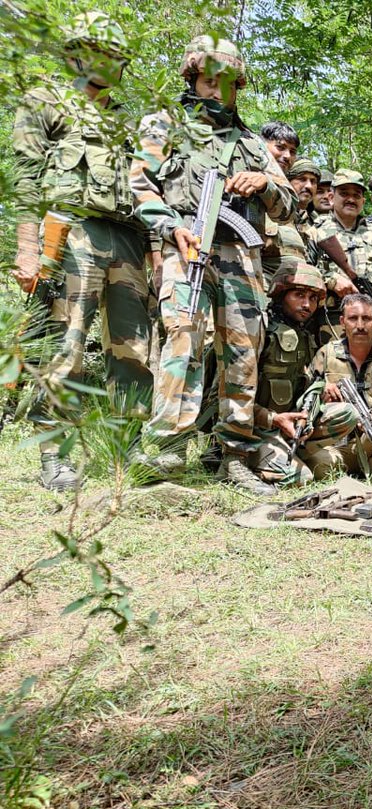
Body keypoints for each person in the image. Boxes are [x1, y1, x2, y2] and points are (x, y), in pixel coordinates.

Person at [131, 35, 297, 495]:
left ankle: (236, 454)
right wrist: (169, 226)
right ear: (193, 79)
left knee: (243, 352)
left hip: (241, 258)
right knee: (183, 339)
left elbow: (288, 207)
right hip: (185, 249)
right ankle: (166, 449)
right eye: (207, 82)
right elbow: (139, 187)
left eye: (225, 85)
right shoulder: (163, 127)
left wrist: (264, 182)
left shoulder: (252, 143)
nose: (215, 92)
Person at [11, 11, 152, 491]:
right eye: (99, 52)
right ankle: (57, 455)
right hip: (70, 235)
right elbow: (24, 181)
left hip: (128, 240)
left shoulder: (126, 123)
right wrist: (28, 249)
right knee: (66, 348)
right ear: (75, 53)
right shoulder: (45, 102)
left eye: (116, 55)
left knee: (134, 351)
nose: (108, 62)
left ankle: (126, 450)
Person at [247, 263, 355, 486]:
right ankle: (243, 459)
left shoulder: (302, 335)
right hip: (253, 429)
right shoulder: (258, 329)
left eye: (313, 298)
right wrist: (273, 419)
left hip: (288, 424)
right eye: (299, 295)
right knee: (300, 478)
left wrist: (312, 400)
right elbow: (226, 399)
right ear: (280, 294)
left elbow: (303, 382)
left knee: (347, 413)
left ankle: (291, 452)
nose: (307, 304)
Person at [305, 294, 372, 481]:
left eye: (366, 318)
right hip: (340, 446)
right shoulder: (326, 354)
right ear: (342, 322)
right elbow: (304, 399)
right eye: (353, 318)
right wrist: (322, 391)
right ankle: (360, 471)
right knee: (318, 466)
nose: (360, 326)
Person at [313, 168, 372, 336]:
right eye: (344, 193)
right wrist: (331, 279)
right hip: (330, 327)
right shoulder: (315, 232)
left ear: (363, 201)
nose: (351, 199)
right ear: (331, 197)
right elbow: (302, 272)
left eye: (356, 195)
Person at [259, 122, 304, 281]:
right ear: (261, 145)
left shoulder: (289, 194)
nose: (287, 156)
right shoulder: (248, 176)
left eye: (292, 152)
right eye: (280, 147)